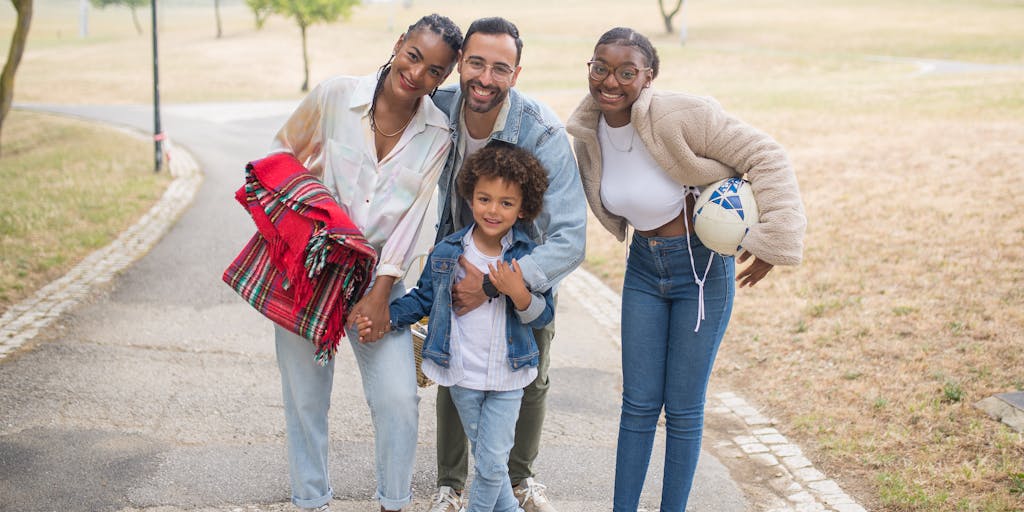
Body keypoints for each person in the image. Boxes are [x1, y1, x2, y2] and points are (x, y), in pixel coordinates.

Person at [565, 27, 807, 512]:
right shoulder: (588, 133)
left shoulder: (682, 114)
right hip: (643, 270)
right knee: (637, 405)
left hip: (701, 270)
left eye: (626, 72)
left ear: (648, 77)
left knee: (683, 408)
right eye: (600, 67)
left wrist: (773, 238)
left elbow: (766, 155)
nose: (610, 81)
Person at [266, 14, 463, 512]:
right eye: (413, 55)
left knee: (399, 399)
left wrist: (380, 292)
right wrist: (309, 212)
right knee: (306, 401)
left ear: (443, 79)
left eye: (435, 71)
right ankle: (311, 501)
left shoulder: (437, 133)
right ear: (399, 44)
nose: (417, 75)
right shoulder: (336, 96)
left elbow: (414, 221)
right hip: (309, 273)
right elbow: (281, 153)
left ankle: (392, 503)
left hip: (380, 282)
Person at [426, 17, 588, 512]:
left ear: (515, 75)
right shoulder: (435, 110)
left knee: (528, 372)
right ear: (460, 63)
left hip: (522, 271)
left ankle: (518, 479)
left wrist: (495, 286)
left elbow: (570, 239)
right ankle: (451, 484)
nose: (485, 77)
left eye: (500, 68)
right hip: (456, 260)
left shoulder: (539, 131)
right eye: (476, 63)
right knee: (453, 370)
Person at [359, 142, 554, 512]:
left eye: (506, 203)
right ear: (469, 196)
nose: (493, 210)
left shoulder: (527, 257)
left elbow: (544, 316)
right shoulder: (450, 251)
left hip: (508, 378)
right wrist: (386, 316)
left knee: (493, 463)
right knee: (490, 464)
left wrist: (521, 295)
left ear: (523, 207)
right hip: (463, 376)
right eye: (484, 198)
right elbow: (423, 299)